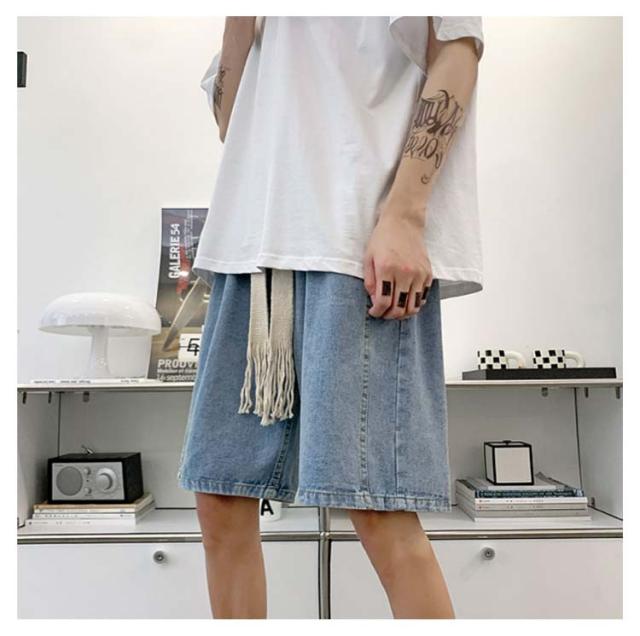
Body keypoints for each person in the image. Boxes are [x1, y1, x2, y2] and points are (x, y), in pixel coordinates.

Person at [178, 16, 484, 619]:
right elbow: (230, 125)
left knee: (377, 507)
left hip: (353, 243)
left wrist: (405, 217)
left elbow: (458, 51)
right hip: (250, 250)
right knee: (220, 499)